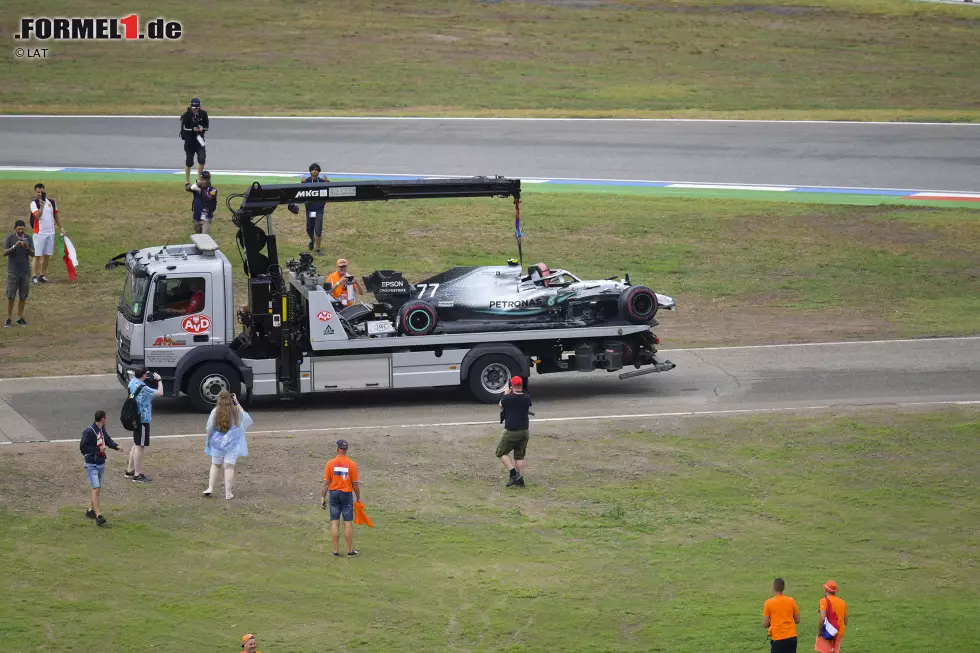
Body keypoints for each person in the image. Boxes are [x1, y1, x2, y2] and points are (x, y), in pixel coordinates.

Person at [203, 389, 253, 500]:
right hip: (232, 443)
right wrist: (237, 402)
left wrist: (208, 441)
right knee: (229, 467)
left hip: (217, 443)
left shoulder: (215, 411)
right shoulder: (235, 411)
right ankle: (228, 493)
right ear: (231, 399)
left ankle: (210, 488)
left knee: (215, 465)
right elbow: (247, 418)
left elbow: (209, 428)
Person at [79, 410, 123, 526]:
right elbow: (83, 447)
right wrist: (97, 450)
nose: (106, 420)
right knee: (96, 487)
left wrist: (116, 446)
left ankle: (90, 510)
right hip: (91, 464)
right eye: (106, 418)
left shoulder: (102, 430)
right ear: (102, 419)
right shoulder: (89, 431)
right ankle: (98, 515)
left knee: (96, 488)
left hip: (100, 462)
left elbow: (107, 440)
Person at [321, 439, 362, 557]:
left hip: (333, 494)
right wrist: (358, 498)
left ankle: (336, 550)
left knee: (335, 522)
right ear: (346, 450)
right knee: (348, 522)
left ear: (337, 449)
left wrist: (323, 498)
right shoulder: (351, 464)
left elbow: (325, 484)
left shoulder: (330, 463)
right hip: (346, 495)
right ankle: (350, 550)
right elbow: (355, 484)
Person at [124, 367, 163, 483]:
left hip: (135, 418)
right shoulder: (144, 388)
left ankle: (130, 470)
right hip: (143, 419)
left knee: (136, 444)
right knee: (140, 447)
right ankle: (137, 474)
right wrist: (159, 380)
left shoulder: (132, 383)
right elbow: (160, 393)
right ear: (144, 375)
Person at [496, 375, 532, 487]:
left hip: (512, 432)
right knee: (519, 456)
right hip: (524, 431)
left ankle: (513, 473)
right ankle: (520, 480)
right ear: (521, 385)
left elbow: (500, 405)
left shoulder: (508, 398)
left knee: (501, 452)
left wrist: (506, 393)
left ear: (512, 386)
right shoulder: (527, 398)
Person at [29, 183, 65, 285]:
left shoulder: (52, 202)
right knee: (37, 255)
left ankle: (42, 275)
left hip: (50, 233)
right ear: (35, 192)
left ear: (45, 191)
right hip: (39, 233)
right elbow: (36, 216)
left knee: (47, 255)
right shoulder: (34, 203)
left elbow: (56, 215)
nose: (40, 194)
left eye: (42, 192)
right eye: (38, 192)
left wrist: (61, 227)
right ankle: (34, 276)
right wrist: (41, 206)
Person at [4, 219, 34, 327]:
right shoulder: (10, 238)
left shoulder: (29, 239)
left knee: (23, 296)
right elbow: (4, 252)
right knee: (11, 296)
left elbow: (33, 254)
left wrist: (27, 248)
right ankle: (8, 318)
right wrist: (14, 246)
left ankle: (20, 317)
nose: (21, 231)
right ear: (15, 229)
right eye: (19, 229)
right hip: (13, 271)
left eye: (22, 229)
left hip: (25, 271)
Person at [763, 577, 801, 653]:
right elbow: (798, 620)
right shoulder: (791, 600)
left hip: (778, 638)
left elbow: (765, 624)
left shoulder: (768, 603)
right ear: (784, 588)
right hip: (792, 636)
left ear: (773, 587)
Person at [180, 98, 209, 184]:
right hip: (190, 142)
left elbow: (207, 127)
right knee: (189, 162)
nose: (195, 109)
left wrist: (202, 128)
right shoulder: (186, 115)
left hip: (200, 141)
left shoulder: (203, 114)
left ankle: (199, 179)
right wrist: (193, 129)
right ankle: (187, 180)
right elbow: (184, 128)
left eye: (197, 107)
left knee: (202, 159)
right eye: (193, 107)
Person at [302, 162, 329, 256]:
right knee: (309, 229)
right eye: (313, 170)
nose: (314, 171)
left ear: (318, 172)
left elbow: (329, 191)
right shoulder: (306, 181)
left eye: (316, 170)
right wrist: (302, 184)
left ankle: (318, 249)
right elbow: (301, 193)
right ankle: (312, 240)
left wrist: (327, 182)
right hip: (310, 210)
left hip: (319, 209)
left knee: (318, 229)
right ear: (310, 171)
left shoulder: (322, 181)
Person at [815, 580, 847, 653]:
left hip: (827, 632)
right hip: (839, 632)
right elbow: (845, 621)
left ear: (825, 590)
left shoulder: (824, 601)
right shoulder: (843, 603)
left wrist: (819, 632)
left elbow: (822, 618)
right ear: (835, 591)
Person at [185, 170, 218, 234]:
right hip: (196, 217)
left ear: (209, 178)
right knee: (198, 238)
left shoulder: (213, 190)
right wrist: (196, 184)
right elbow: (187, 188)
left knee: (205, 238)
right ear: (201, 178)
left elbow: (209, 198)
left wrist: (202, 189)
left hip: (206, 218)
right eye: (204, 178)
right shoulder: (197, 188)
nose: (206, 180)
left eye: (207, 178)